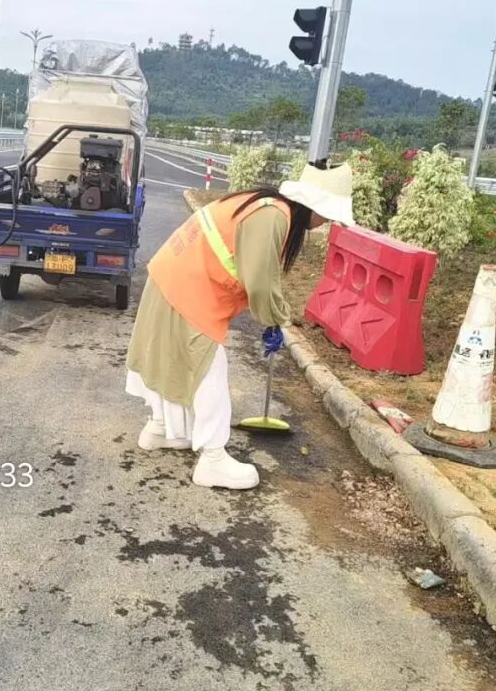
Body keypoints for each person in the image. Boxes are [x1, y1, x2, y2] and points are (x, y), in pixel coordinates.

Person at [125, 163, 355, 490]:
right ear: (316, 207)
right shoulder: (273, 216)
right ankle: (213, 460)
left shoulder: (266, 205)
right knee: (208, 372)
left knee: (173, 362)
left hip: (171, 279)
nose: (326, 222)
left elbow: (256, 273)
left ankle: (160, 429)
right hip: (189, 290)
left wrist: (272, 316)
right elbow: (260, 282)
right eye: (328, 216)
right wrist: (275, 318)